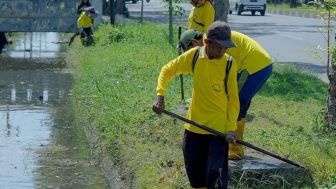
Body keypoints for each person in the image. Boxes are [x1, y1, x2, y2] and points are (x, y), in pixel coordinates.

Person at [152, 21, 239, 189]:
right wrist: (160, 95)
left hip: (218, 132)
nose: (223, 51)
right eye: (220, 47)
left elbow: (233, 99)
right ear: (207, 43)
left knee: (217, 181)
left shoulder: (229, 63)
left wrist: (230, 128)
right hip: (194, 129)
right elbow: (167, 70)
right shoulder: (194, 56)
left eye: (226, 48)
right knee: (196, 178)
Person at [178, 28, 273, 160]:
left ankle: (234, 149)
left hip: (254, 66)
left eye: (190, 51)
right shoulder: (211, 41)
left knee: (233, 105)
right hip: (260, 65)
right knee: (239, 106)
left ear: (194, 43)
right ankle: (233, 147)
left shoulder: (210, 44)